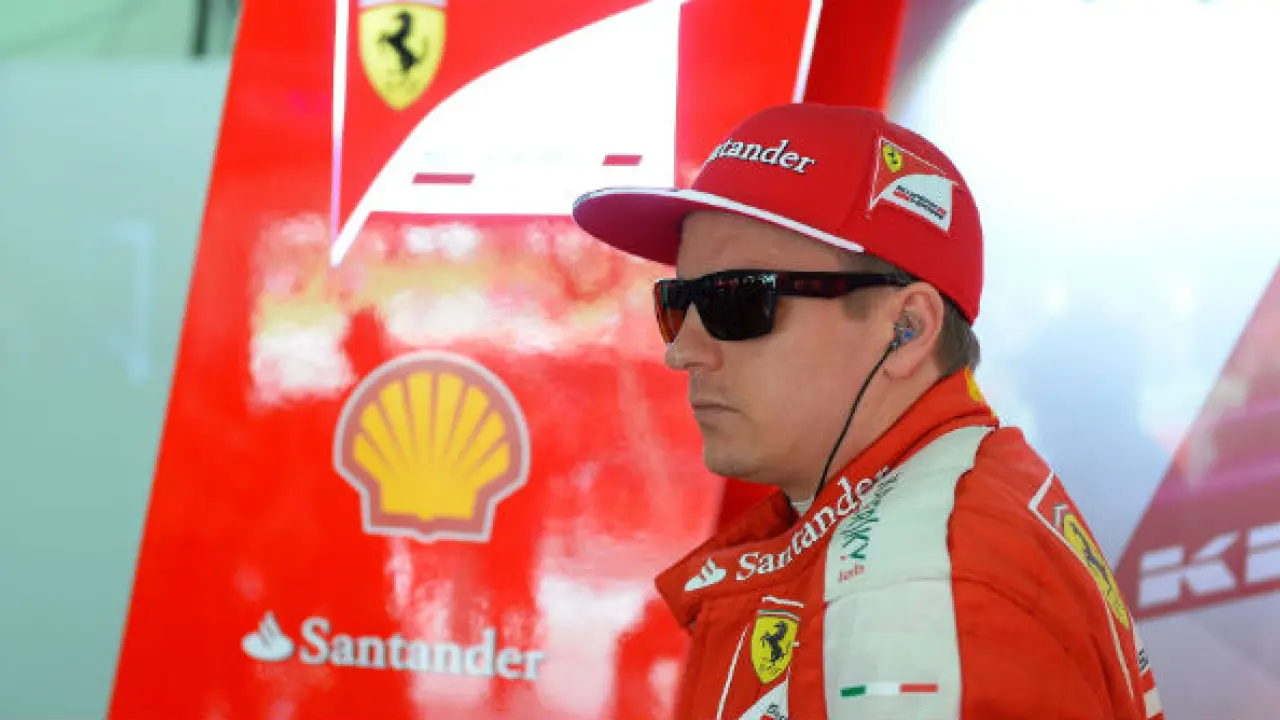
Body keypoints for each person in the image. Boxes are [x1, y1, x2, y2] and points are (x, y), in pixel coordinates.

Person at [571, 103, 1163, 720]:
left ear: (906, 330)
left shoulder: (912, 595)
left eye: (737, 301)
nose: (683, 351)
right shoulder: (957, 496)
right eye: (676, 302)